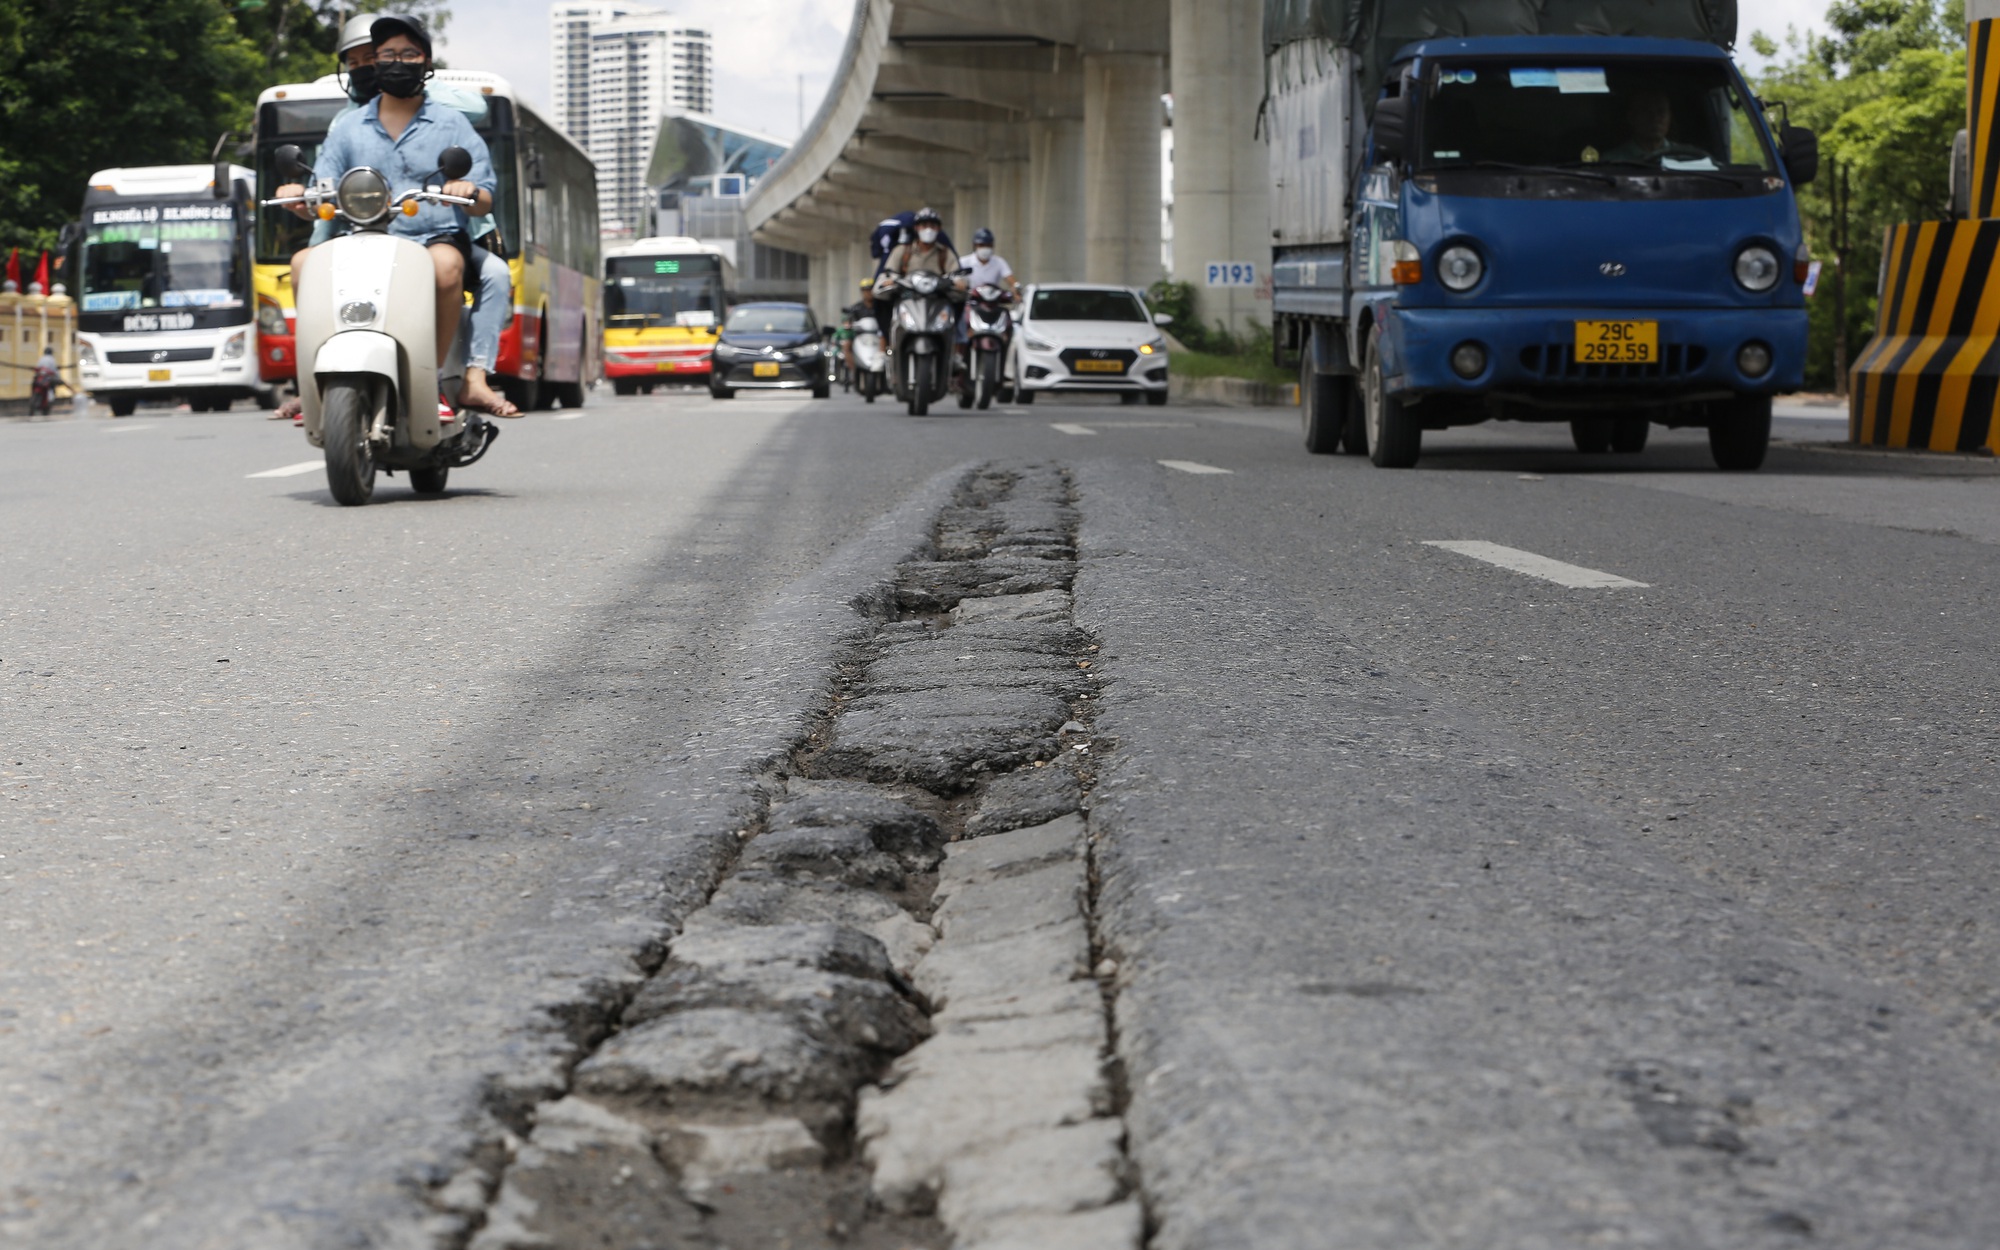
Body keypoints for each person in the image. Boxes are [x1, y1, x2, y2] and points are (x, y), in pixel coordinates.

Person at [276, 14, 517, 421]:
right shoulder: (348, 127)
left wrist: (467, 190)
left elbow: (483, 195)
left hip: (433, 237)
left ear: (425, 63)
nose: (396, 62)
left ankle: (437, 381)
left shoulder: (451, 122)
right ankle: (316, 378)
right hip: (364, 239)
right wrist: (298, 196)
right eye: (386, 54)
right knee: (302, 263)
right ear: (374, 63)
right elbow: (323, 188)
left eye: (408, 54)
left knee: (446, 268)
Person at [870, 207, 960, 302]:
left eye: (932, 226)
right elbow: (888, 273)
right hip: (907, 300)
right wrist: (888, 282)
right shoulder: (902, 251)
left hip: (938, 301)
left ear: (939, 229)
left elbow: (957, 274)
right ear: (916, 228)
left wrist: (959, 282)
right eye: (924, 225)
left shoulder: (945, 252)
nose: (928, 230)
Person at [30, 346, 59, 416]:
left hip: (40, 378)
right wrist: (58, 377)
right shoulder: (52, 359)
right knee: (52, 389)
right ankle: (49, 401)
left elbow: (38, 368)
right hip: (47, 378)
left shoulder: (41, 359)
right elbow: (55, 370)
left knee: (33, 386)